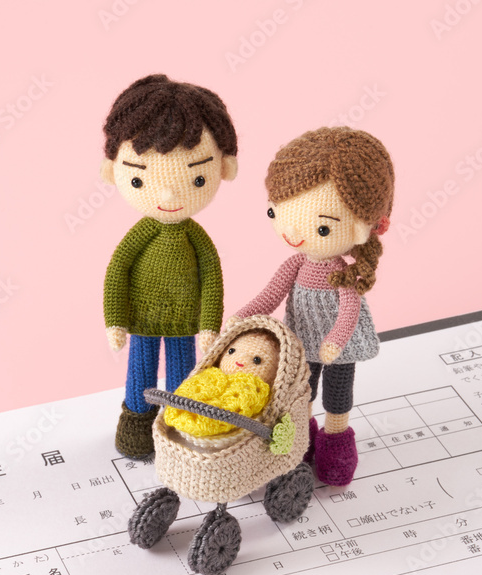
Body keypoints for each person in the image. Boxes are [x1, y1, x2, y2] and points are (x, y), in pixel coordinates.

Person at [232, 126, 395, 486]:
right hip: (302, 342)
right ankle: (301, 441)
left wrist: (336, 340)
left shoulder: (342, 274)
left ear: (363, 228)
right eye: (276, 213)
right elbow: (269, 296)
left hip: (340, 348)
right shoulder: (295, 264)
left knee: (338, 394)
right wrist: (243, 316)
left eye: (323, 228)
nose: (293, 234)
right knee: (301, 391)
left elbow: (349, 310)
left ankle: (336, 442)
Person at [101, 74, 239, 458]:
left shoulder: (197, 239)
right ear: (113, 170)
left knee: (183, 378)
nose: (166, 195)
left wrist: (209, 325)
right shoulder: (141, 234)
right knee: (140, 374)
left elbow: (212, 279)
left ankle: (177, 428)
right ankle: (136, 425)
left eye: (197, 177)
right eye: (139, 179)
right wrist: (115, 320)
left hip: (184, 323)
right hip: (142, 320)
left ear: (223, 169)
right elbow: (118, 272)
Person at [165, 330, 279, 437]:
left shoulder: (254, 391)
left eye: (257, 360)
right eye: (231, 351)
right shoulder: (210, 374)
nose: (239, 359)